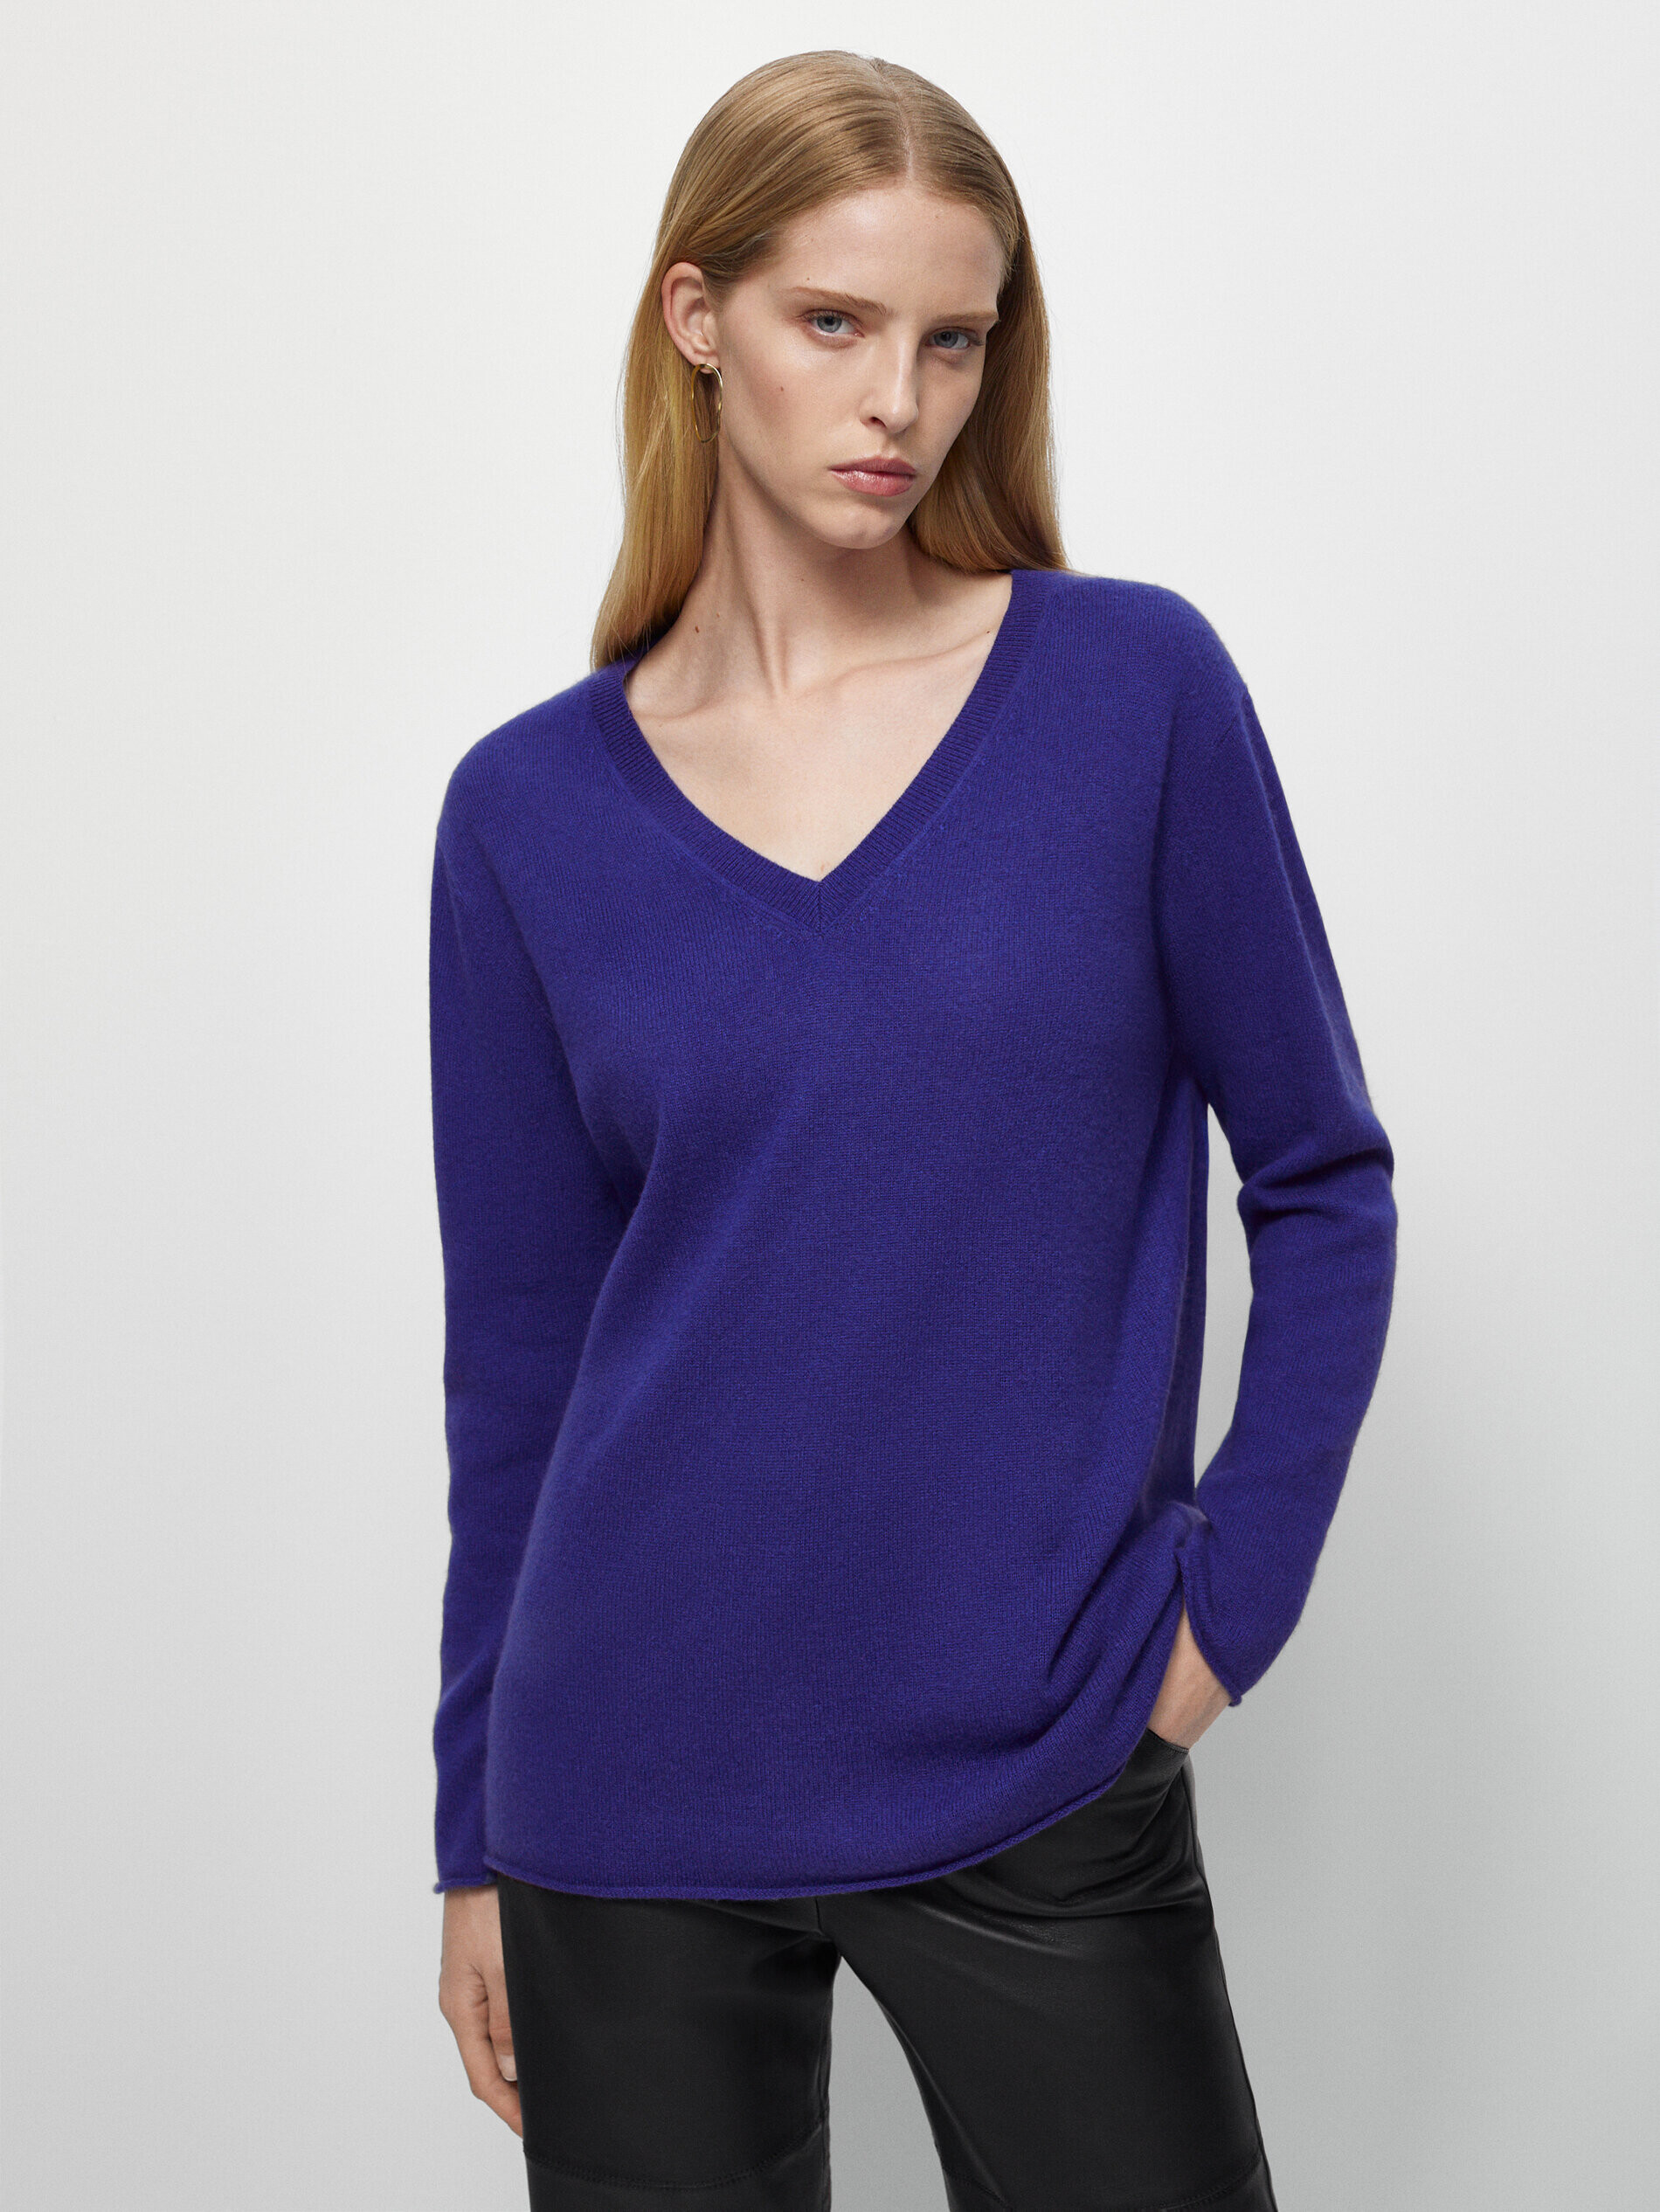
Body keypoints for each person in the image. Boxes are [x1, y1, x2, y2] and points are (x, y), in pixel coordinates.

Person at [428, 49, 1397, 2212]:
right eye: (833, 322)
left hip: (1039, 1750)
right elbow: (521, 1361)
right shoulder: (523, 815)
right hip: (619, 1787)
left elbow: (1321, 1180)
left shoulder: (1129, 694)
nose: (898, 400)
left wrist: (1211, 1625)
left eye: (952, 340)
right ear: (698, 320)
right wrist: (472, 1827)